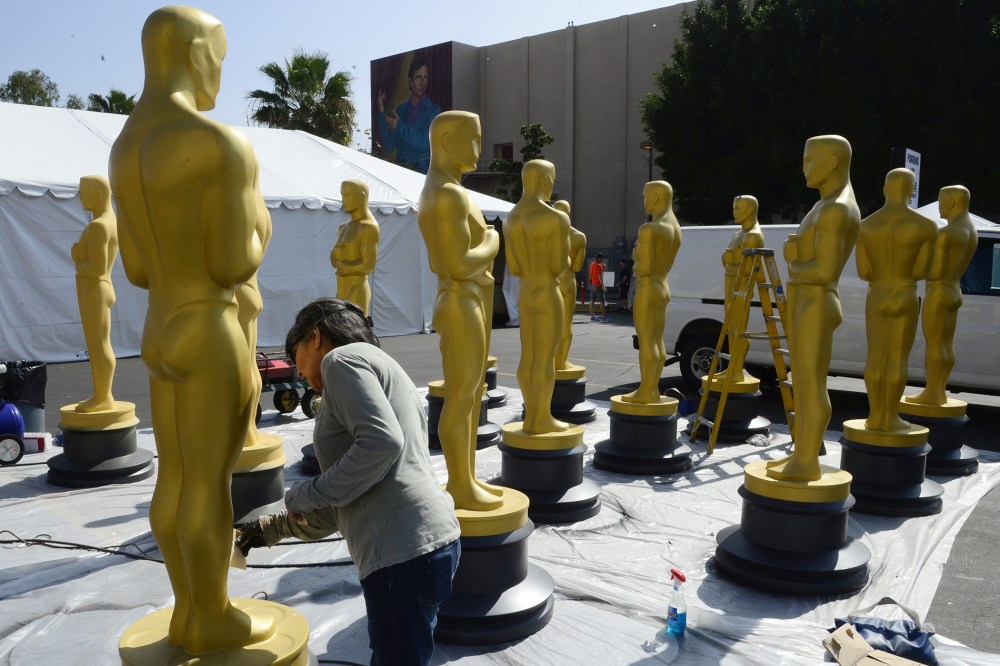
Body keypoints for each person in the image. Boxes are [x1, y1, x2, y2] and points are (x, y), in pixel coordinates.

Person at [109, 6, 275, 653]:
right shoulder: (220, 144)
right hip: (208, 324)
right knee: (208, 481)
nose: (219, 74)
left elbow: (141, 267)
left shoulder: (125, 150)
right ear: (195, 51)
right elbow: (233, 261)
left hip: (159, 326)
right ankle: (210, 614)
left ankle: (187, 609)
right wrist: (260, 217)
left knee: (173, 476)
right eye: (219, 57)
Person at [243, 298, 460, 666]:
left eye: (295, 357)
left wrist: (300, 495)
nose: (298, 373)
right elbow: (356, 491)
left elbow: (381, 444)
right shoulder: (382, 365)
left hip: (401, 553)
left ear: (315, 336)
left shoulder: (339, 360)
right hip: (430, 541)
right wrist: (273, 528)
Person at [418, 111, 503, 511]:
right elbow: (458, 263)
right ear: (447, 139)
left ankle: (465, 478)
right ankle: (459, 483)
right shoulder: (447, 193)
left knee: (469, 394)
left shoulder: (444, 188)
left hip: (464, 299)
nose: (479, 150)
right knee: (463, 395)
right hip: (459, 296)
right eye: (473, 140)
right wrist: (492, 242)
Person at [767, 135, 860, 482]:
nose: (804, 168)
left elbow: (823, 271)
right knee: (803, 382)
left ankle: (807, 459)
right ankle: (802, 451)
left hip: (817, 298)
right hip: (809, 299)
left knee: (810, 383)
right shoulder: (828, 204)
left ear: (833, 162)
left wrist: (793, 261)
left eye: (810, 160)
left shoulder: (836, 208)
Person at [856, 169, 937, 431]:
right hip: (904, 292)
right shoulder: (925, 226)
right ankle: (889, 417)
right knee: (896, 358)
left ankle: (875, 415)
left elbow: (864, 272)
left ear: (885, 188)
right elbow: (921, 271)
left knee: (875, 356)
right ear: (910, 190)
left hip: (876, 293)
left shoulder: (865, 226)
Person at [503, 160, 572, 434]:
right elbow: (559, 265)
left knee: (528, 357)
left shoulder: (511, 218)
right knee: (544, 358)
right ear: (545, 180)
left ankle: (531, 415)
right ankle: (541, 418)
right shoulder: (555, 218)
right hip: (546, 289)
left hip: (525, 290)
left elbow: (515, 267)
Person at [905, 185, 978, 407]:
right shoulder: (970, 231)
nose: (938, 206)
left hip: (938, 290)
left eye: (940, 201)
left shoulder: (946, 234)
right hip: (954, 289)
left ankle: (933, 392)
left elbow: (934, 271)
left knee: (935, 343)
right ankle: (939, 390)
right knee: (945, 344)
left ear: (952, 203)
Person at [621, 181, 682, 404]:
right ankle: (652, 388)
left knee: (647, 341)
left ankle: (647, 390)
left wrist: (636, 256)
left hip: (648, 286)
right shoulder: (674, 227)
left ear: (655, 198)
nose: (644, 201)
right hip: (662, 285)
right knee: (657, 341)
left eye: (646, 196)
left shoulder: (649, 229)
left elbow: (644, 267)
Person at [71, 175, 119, 413]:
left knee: (98, 344)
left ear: (98, 193)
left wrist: (78, 259)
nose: (80, 196)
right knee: (99, 343)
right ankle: (101, 393)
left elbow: (96, 268)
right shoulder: (109, 222)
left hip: (96, 286)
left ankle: (104, 396)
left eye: (84, 191)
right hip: (99, 287)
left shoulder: (99, 226)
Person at [719, 195, 764, 384]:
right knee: (731, 328)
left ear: (750, 210)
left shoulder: (753, 235)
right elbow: (728, 260)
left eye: (738, 208)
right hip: (731, 283)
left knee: (739, 328)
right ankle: (733, 367)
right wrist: (728, 259)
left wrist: (729, 260)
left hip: (742, 287)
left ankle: (737, 370)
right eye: (734, 207)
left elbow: (748, 269)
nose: (734, 212)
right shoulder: (739, 234)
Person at [377, 53, 441, 173]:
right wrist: (381, 114)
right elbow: (390, 146)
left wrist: (399, 127)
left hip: (422, 175)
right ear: (410, 81)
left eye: (425, 77)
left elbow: (425, 142)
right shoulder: (400, 110)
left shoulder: (434, 110)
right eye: (418, 77)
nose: (422, 83)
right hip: (402, 173)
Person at [331, 179, 381, 317]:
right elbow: (335, 260)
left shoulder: (368, 227)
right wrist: (336, 256)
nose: (343, 200)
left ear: (362, 196)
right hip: (342, 289)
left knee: (354, 330)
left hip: (357, 290)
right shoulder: (344, 227)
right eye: (342, 195)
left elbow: (368, 266)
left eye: (347, 195)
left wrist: (343, 265)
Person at [553, 200, 587, 371]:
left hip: (551, 282)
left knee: (551, 323)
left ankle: (552, 358)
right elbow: (576, 266)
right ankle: (562, 360)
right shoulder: (579, 237)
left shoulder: (547, 236)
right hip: (568, 281)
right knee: (566, 324)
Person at [588, 253, 608, 321]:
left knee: (591, 300)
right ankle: (603, 317)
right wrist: (603, 286)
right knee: (602, 300)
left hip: (592, 284)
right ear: (599, 258)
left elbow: (594, 272)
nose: (602, 260)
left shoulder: (592, 264)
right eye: (601, 258)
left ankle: (592, 316)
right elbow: (599, 277)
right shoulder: (599, 266)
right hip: (598, 285)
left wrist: (602, 267)